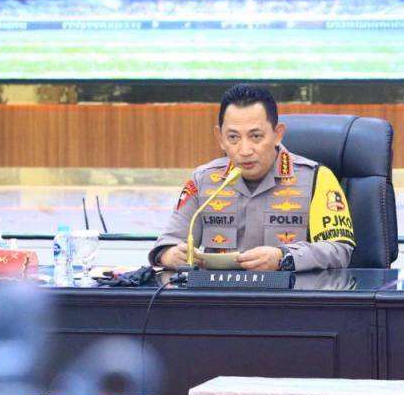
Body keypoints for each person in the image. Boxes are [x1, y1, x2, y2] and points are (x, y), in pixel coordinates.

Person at [150, 84, 355, 272]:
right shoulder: (203, 180)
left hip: (290, 296)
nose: (245, 150)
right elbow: (167, 244)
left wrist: (285, 257)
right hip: (219, 296)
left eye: (255, 136)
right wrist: (171, 255)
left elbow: (339, 249)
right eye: (233, 137)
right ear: (220, 138)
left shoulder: (317, 178)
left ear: (278, 134)